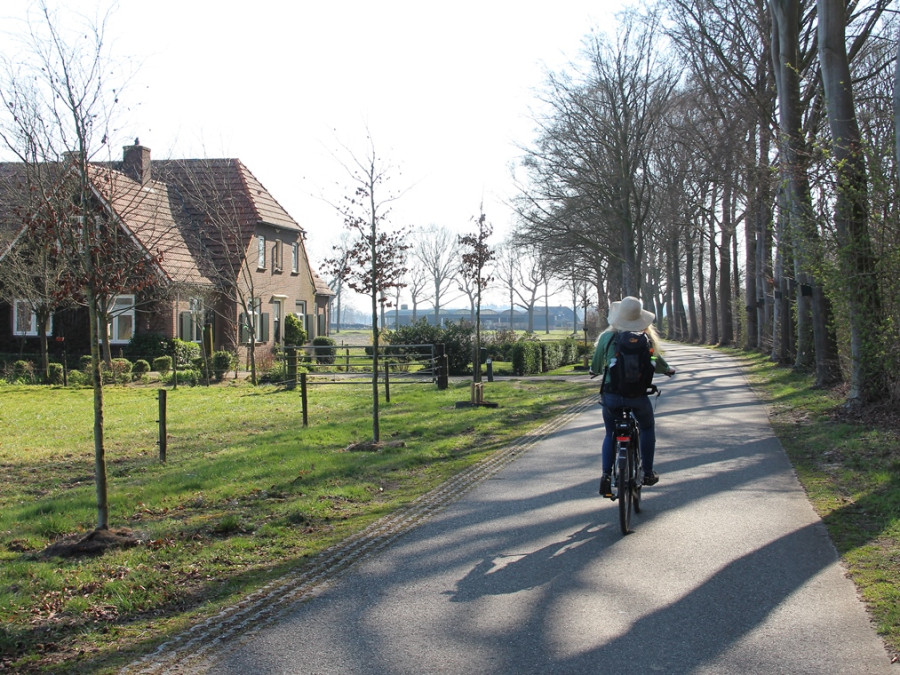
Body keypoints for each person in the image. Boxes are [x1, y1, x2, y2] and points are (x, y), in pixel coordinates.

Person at [589, 296, 675, 498]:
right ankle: (647, 472)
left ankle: (606, 476)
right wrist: (668, 370)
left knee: (610, 433)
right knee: (646, 427)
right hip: (637, 397)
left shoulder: (607, 338)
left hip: (612, 397)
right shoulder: (646, 340)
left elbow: (595, 364)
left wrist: (594, 371)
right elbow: (655, 360)